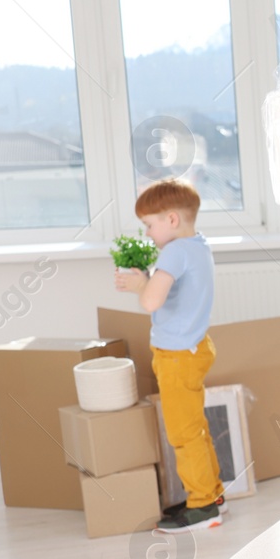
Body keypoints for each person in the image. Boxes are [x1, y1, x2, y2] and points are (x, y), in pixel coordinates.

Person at [113, 178, 224, 532]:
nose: (147, 233)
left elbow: (151, 301)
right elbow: (170, 294)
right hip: (194, 349)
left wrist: (137, 284)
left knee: (183, 434)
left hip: (177, 356)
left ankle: (204, 506)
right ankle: (210, 494)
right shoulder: (198, 246)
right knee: (196, 428)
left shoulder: (175, 251)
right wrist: (149, 278)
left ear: (172, 219)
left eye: (149, 224)